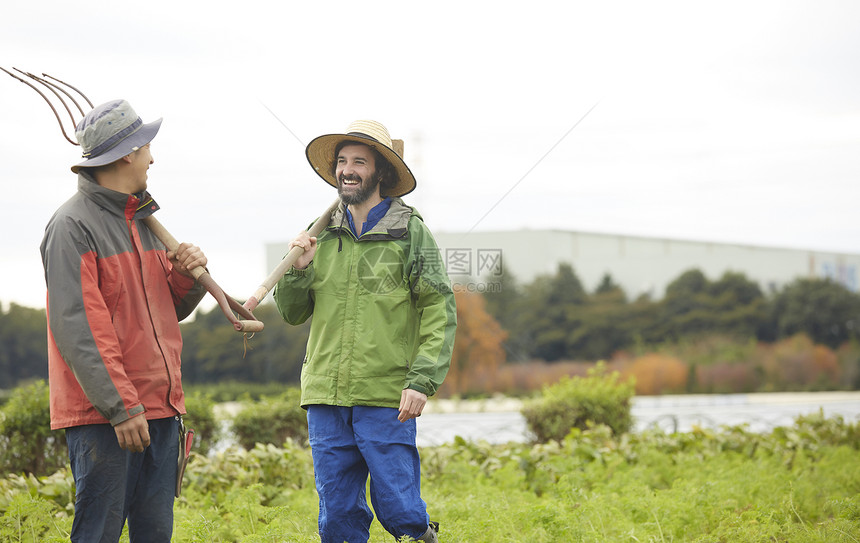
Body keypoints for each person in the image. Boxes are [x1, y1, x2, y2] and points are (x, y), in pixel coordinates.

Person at [274, 120, 457, 543]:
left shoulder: (410, 232)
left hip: (386, 394)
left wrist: (421, 381)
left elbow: (438, 309)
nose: (347, 169)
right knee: (337, 516)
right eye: (342, 161)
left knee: (401, 509)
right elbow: (293, 312)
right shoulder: (318, 233)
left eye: (359, 161)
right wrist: (297, 272)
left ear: (380, 173)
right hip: (325, 394)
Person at [40, 99, 208, 543]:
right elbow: (80, 329)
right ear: (128, 153)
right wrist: (121, 407)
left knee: (154, 535)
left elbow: (164, 313)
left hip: (159, 409)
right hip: (107, 417)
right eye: (147, 147)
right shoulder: (72, 226)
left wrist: (185, 277)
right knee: (98, 534)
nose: (152, 157)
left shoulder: (144, 220)